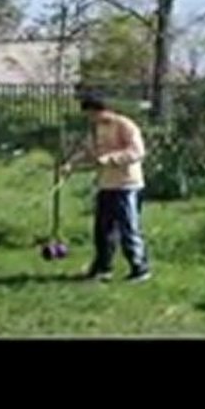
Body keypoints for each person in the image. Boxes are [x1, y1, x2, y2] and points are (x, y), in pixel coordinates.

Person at [61, 93, 151, 282]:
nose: (90, 119)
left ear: (101, 110)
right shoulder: (96, 129)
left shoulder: (125, 125)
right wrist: (71, 164)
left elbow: (137, 151)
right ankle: (103, 267)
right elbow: (89, 151)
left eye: (91, 114)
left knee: (128, 228)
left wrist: (111, 159)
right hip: (106, 184)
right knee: (102, 229)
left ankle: (140, 268)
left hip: (127, 184)